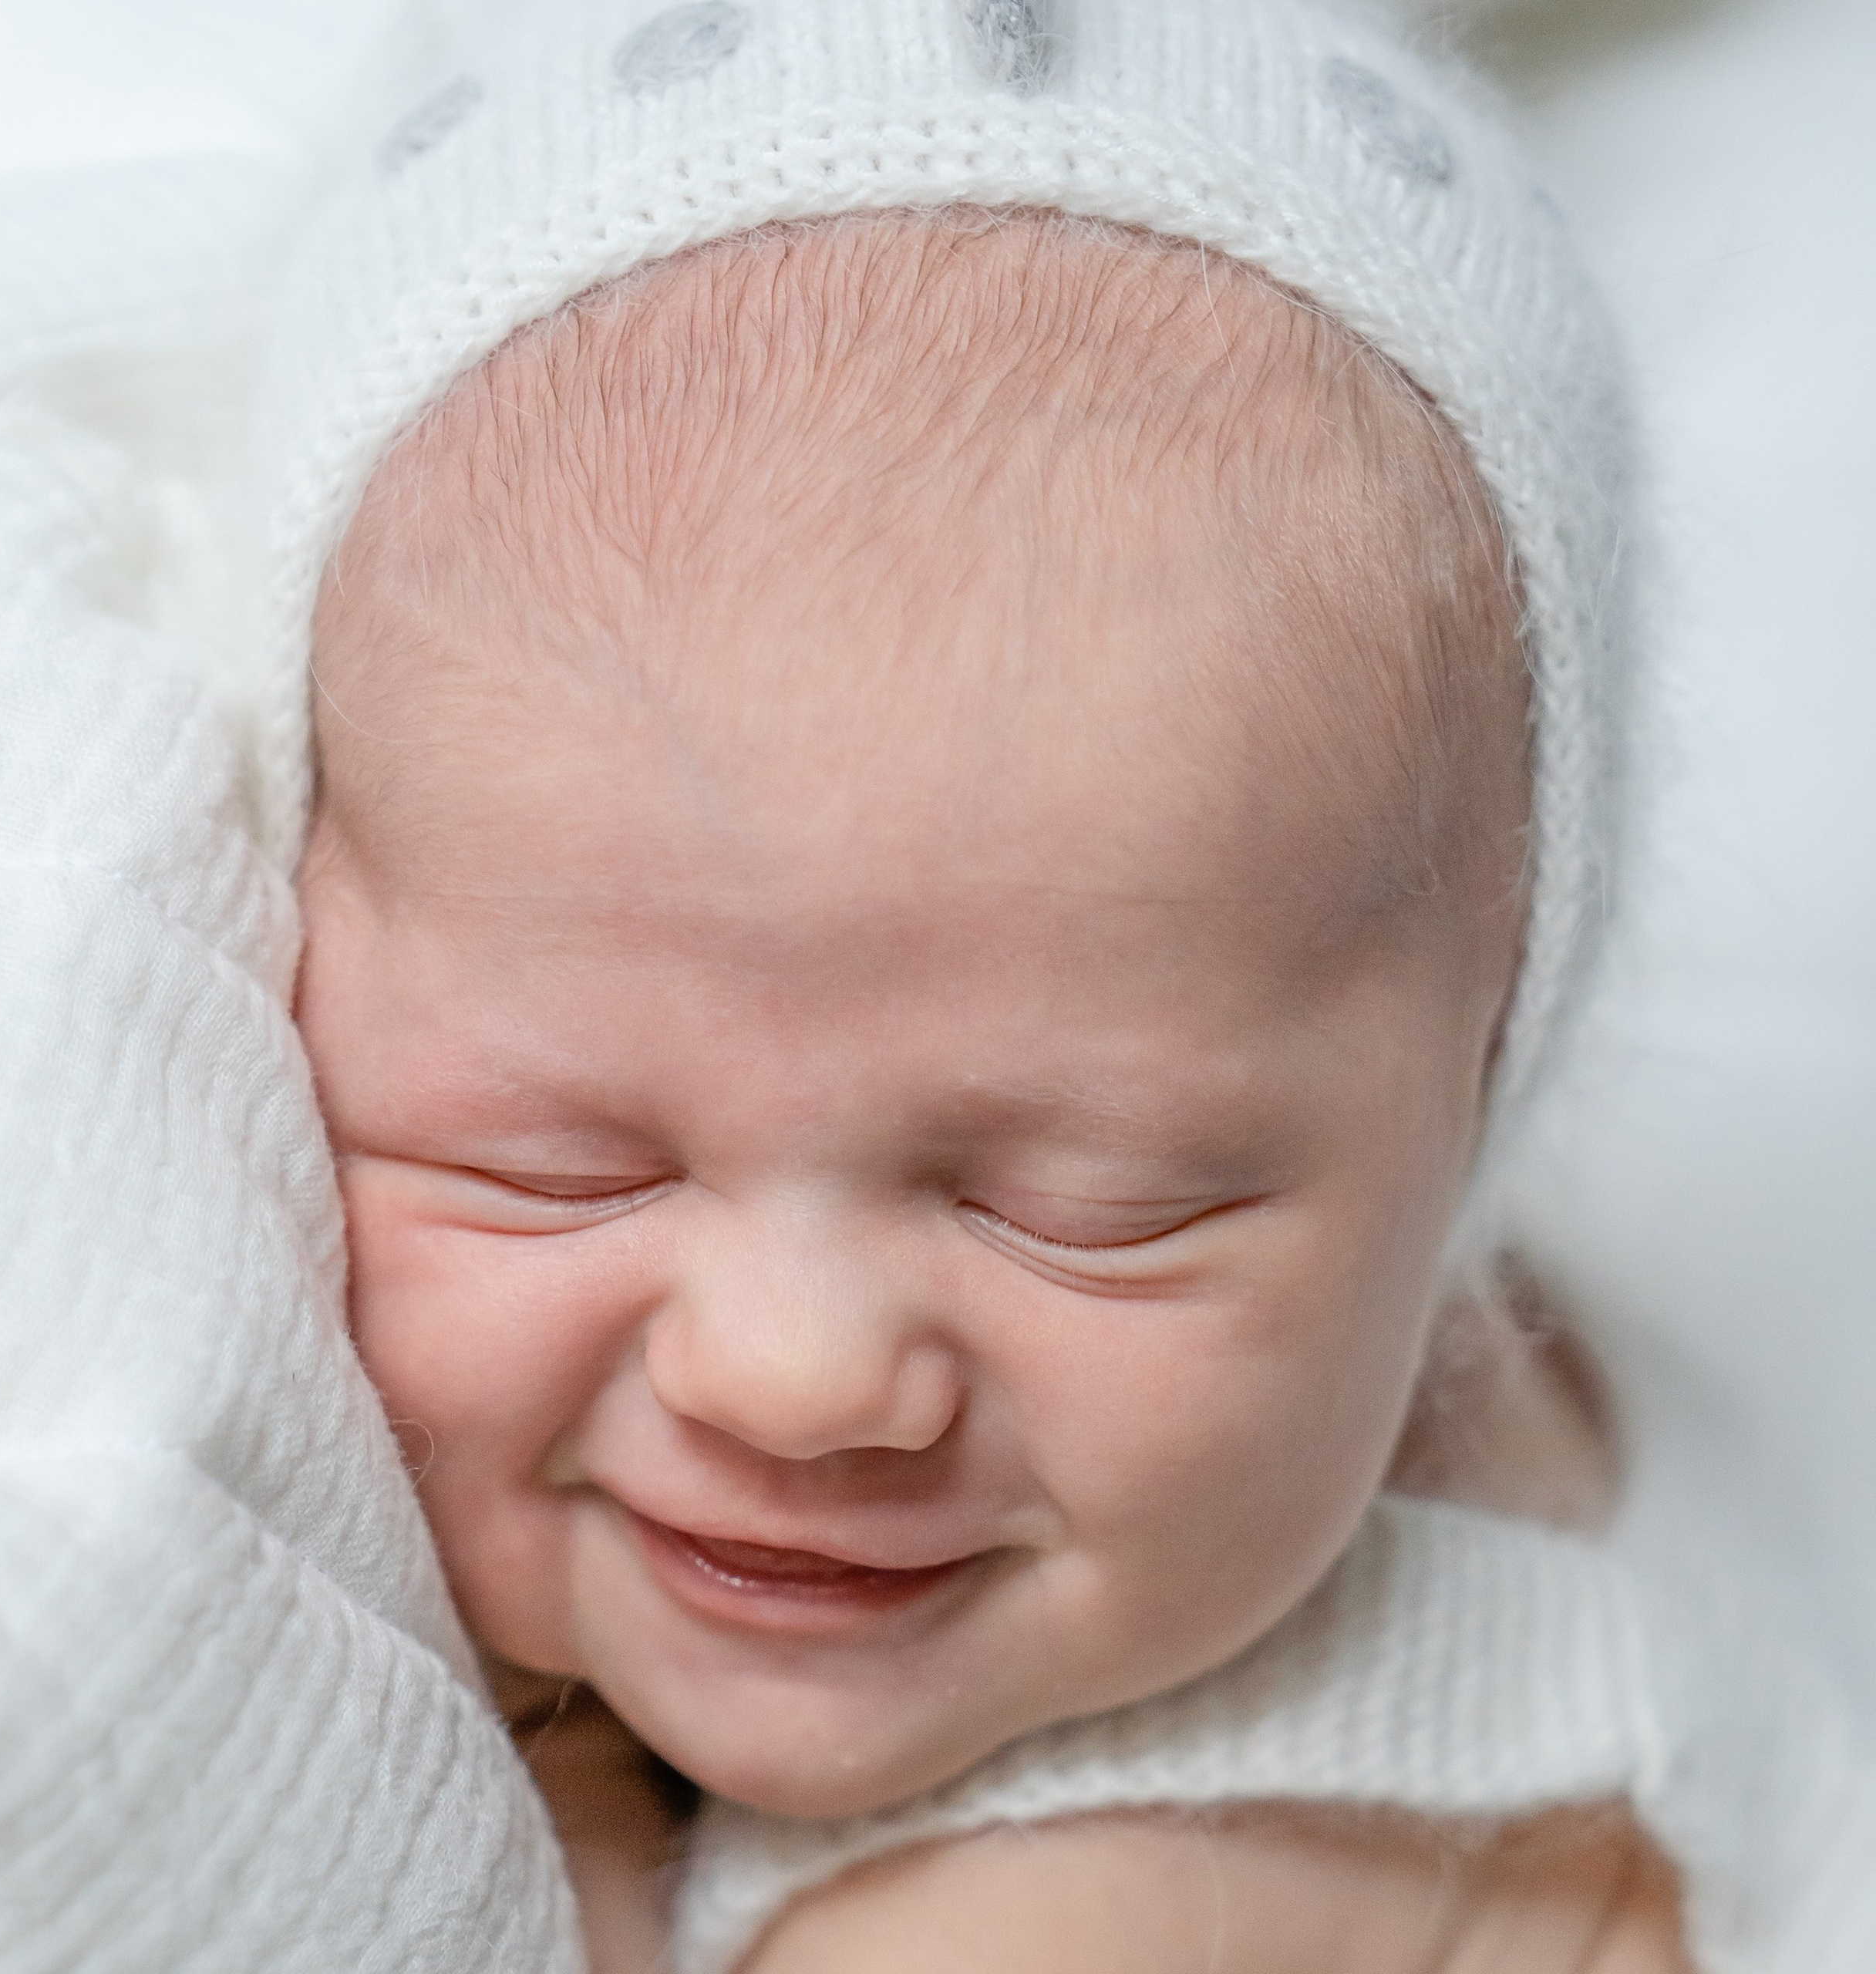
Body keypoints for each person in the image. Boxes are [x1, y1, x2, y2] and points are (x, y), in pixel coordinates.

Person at [261, 1, 1865, 1967]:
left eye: (1089, 1209)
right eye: (552, 1163)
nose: (801, 1374)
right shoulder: (1269, 1383)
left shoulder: (1097, 1900)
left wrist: (567, 1830)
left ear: (1481, 1082)